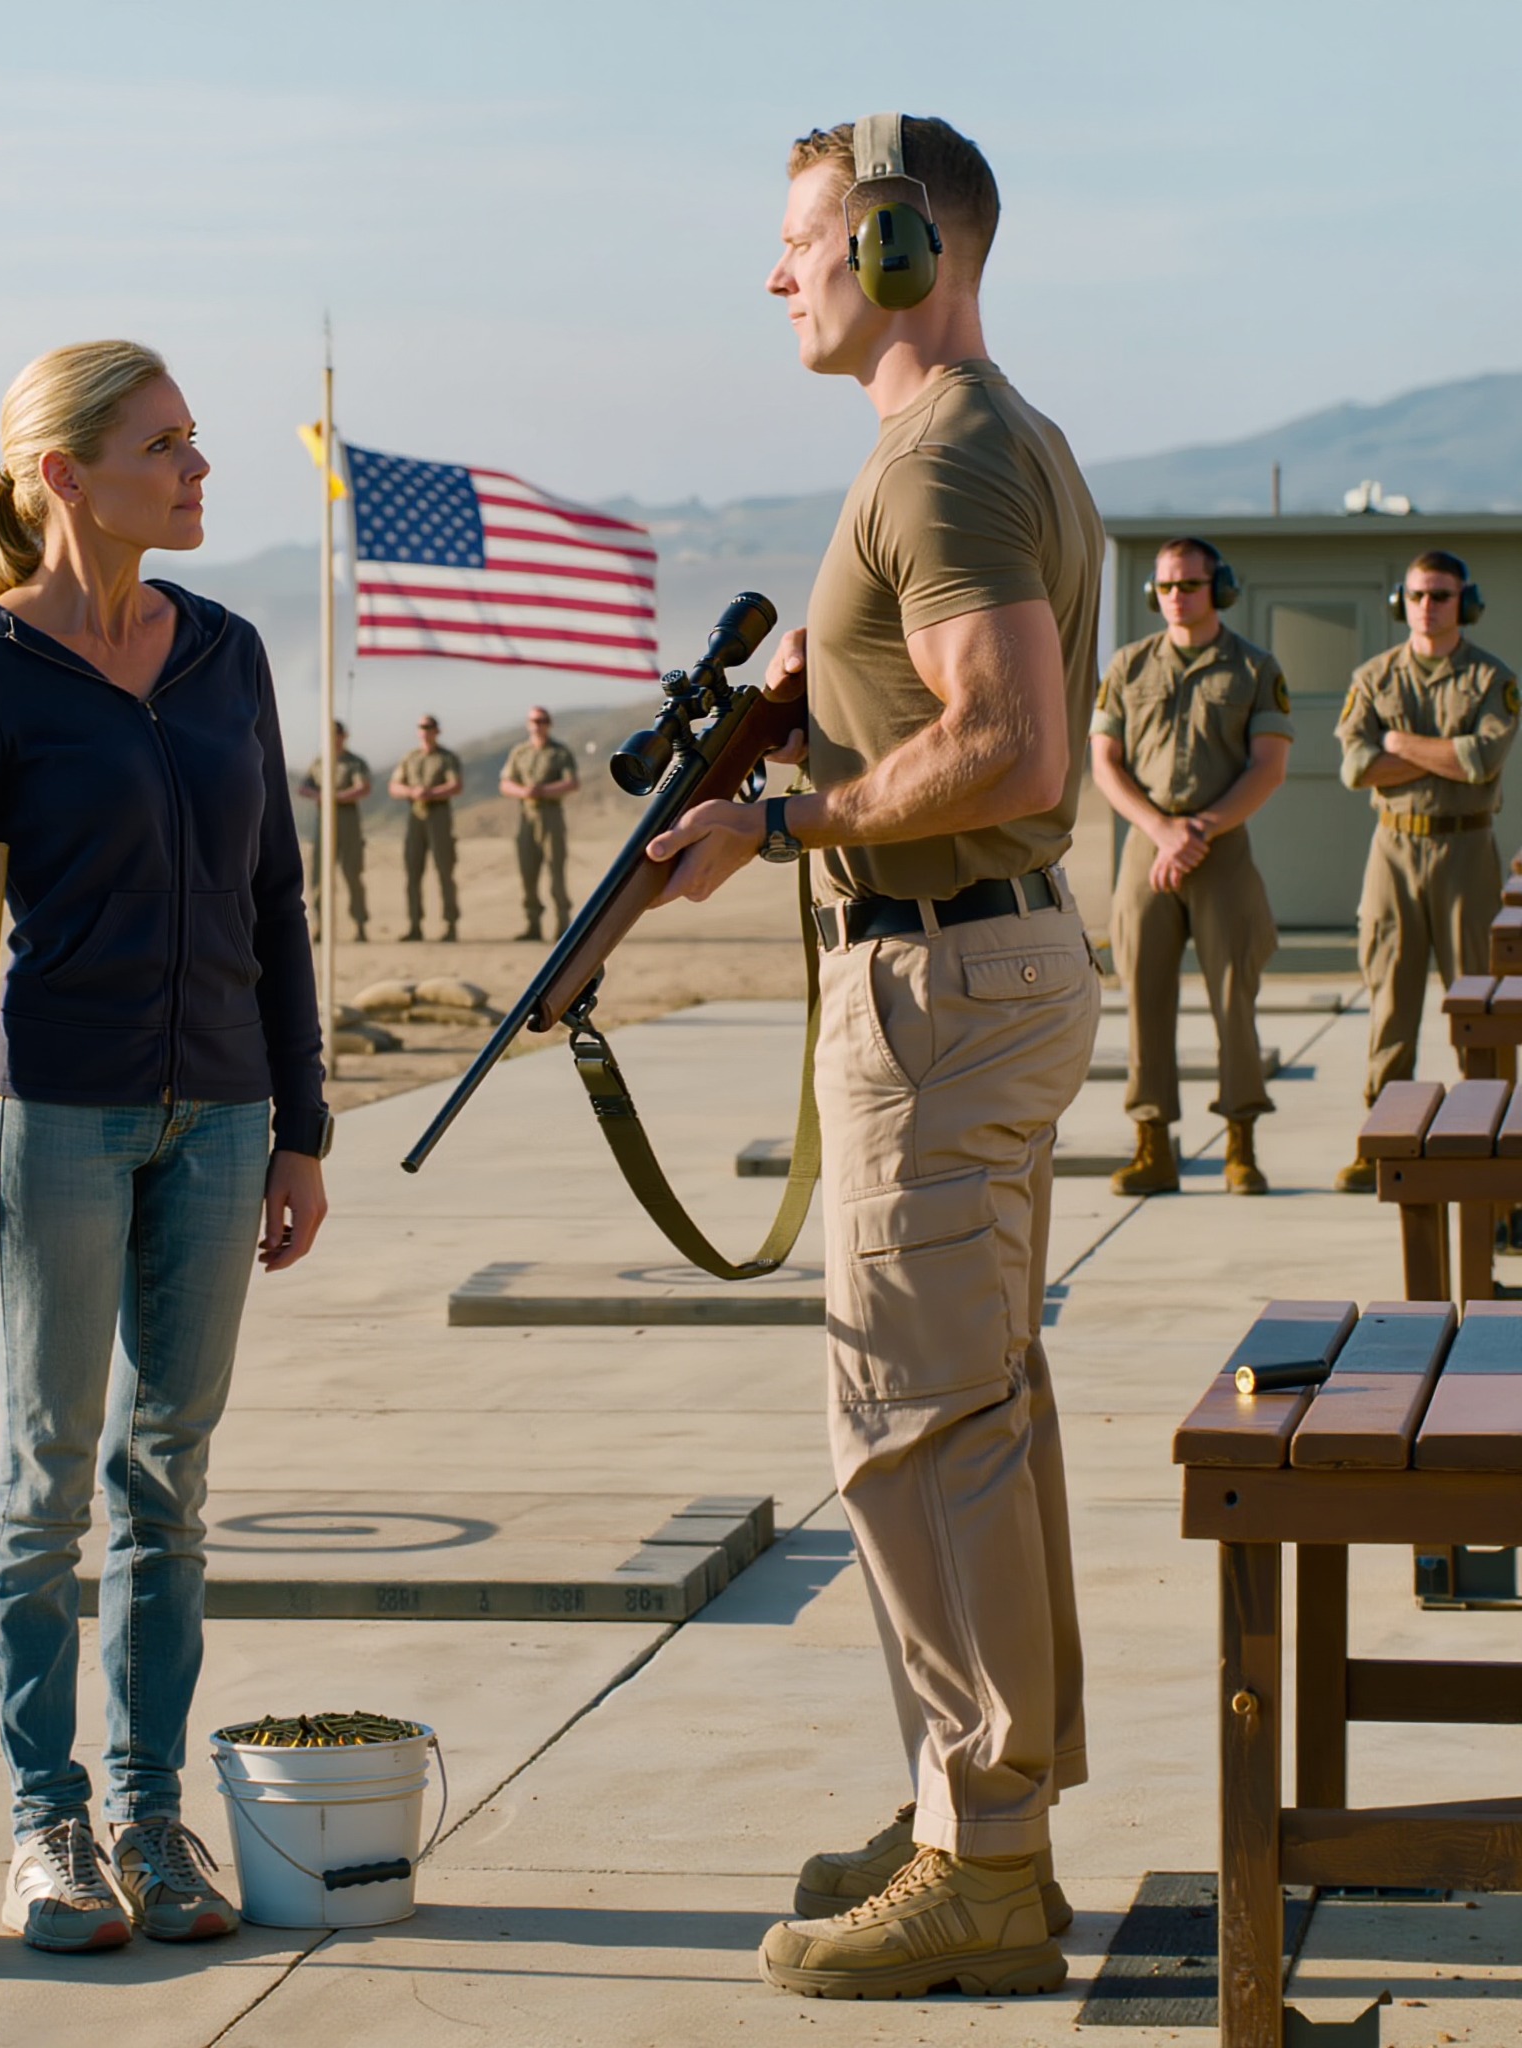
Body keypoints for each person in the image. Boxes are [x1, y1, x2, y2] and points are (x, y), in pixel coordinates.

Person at [647, 114, 1101, 2000]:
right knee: (964, 1412)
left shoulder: (949, 463)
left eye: (803, 239)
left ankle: (982, 1858)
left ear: (903, 246)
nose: (778, 274)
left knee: (912, 1432)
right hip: (956, 976)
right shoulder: (961, 452)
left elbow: (1012, 749)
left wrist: (795, 821)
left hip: (939, 981)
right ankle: (963, 1804)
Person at [0, 340, 332, 1954]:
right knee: (43, 1482)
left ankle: (151, 1817)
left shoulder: (222, 654)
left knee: (171, 1478)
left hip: (220, 1119)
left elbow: (275, 898)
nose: (201, 468)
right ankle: (46, 1823)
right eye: (167, 445)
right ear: (65, 477)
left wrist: (301, 1122)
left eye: (198, 442)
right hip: (55, 1122)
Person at [1088, 540, 1293, 1197]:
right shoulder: (1127, 666)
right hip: (1148, 848)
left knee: (1234, 997)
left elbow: (1268, 766)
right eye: (1167, 586)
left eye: (1191, 584)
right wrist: (1160, 830)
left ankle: (1241, 1144)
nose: (1177, 596)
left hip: (1221, 847)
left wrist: (1198, 830)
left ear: (1220, 588)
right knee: (1144, 998)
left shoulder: (1255, 668)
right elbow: (1106, 761)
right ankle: (1153, 1147)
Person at [1334, 550, 1516, 1192]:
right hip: (1394, 849)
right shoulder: (1375, 676)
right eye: (1416, 596)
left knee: (1478, 1007)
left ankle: (1490, 1138)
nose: (1427, 607)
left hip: (1467, 851)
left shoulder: (1492, 679)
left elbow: (1481, 761)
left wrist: (1397, 743)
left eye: (1441, 596)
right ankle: (1380, 1139)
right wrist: (1441, 754)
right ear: (1401, 602)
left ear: (1463, 602)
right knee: (1390, 999)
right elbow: (1355, 769)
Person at [499, 705, 580, 940]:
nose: (538, 725)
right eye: (534, 720)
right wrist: (525, 791)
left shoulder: (559, 753)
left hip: (551, 814)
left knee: (556, 870)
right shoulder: (520, 753)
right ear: (528, 724)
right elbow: (505, 783)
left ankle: (563, 925)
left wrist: (543, 790)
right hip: (526, 815)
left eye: (542, 720)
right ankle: (532, 924)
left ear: (549, 723)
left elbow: (571, 783)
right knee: (528, 872)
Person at [388, 714, 464, 940]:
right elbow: (395, 786)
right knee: (413, 873)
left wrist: (431, 792)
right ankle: (414, 926)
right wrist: (413, 792)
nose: (425, 731)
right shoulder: (410, 758)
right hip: (415, 817)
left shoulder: (446, 758)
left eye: (429, 727)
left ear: (436, 731)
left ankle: (450, 925)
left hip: (439, 816)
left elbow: (456, 785)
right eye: (422, 727)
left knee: (444, 872)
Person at [300, 720, 372, 942]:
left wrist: (337, 797)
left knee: (352, 873)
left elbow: (363, 787)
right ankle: (321, 924)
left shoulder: (355, 762)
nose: (334, 739)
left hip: (347, 818)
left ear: (344, 736)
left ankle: (359, 925)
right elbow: (304, 787)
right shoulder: (319, 762)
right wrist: (321, 797)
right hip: (324, 818)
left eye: (337, 734)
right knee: (319, 876)